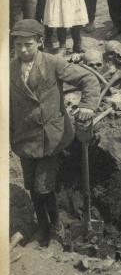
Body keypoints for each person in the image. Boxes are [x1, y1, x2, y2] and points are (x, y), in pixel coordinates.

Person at [10, 19, 100, 246]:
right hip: (23, 139)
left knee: (43, 186)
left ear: (39, 42)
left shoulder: (53, 63)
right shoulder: (9, 69)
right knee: (31, 185)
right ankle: (41, 225)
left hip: (51, 136)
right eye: (18, 45)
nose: (22, 50)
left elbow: (88, 78)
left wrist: (87, 106)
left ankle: (56, 226)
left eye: (28, 44)